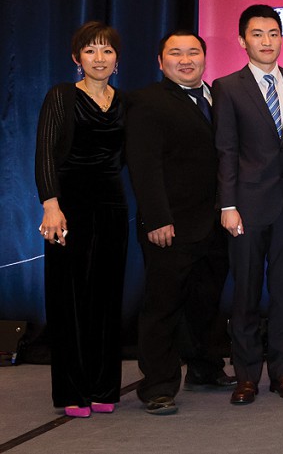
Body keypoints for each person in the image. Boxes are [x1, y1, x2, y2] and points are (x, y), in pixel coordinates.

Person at [126, 31, 234, 416]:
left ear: (206, 57)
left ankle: (205, 368)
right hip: (169, 225)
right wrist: (157, 217)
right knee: (163, 306)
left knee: (205, 303)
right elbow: (144, 165)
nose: (186, 60)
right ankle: (157, 384)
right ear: (160, 61)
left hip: (216, 224)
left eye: (194, 52)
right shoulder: (146, 102)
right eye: (176, 53)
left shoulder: (218, 96)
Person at [213, 4, 283, 405]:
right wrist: (228, 205)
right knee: (247, 293)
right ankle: (247, 375)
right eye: (257, 34)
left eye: (273, 33)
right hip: (246, 207)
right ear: (242, 40)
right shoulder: (228, 86)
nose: (266, 41)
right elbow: (226, 151)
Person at [35, 21, 129, 418]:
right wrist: (50, 205)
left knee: (107, 298)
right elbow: (44, 154)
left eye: (106, 51)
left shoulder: (124, 102)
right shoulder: (61, 96)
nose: (99, 58)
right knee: (69, 299)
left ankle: (104, 385)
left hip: (112, 206)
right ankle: (73, 390)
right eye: (90, 50)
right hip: (68, 206)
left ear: (117, 60)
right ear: (77, 58)